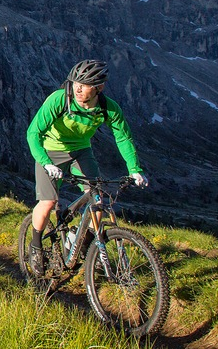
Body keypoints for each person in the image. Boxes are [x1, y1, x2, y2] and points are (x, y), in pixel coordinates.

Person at [24, 59, 147, 274]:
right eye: (75, 83)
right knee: (48, 201)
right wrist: (45, 162)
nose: (77, 89)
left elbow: (123, 137)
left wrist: (134, 169)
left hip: (82, 151)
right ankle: (35, 245)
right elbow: (33, 133)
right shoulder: (60, 99)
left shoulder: (108, 108)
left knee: (97, 200)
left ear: (99, 87)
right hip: (51, 151)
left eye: (85, 84)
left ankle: (87, 247)